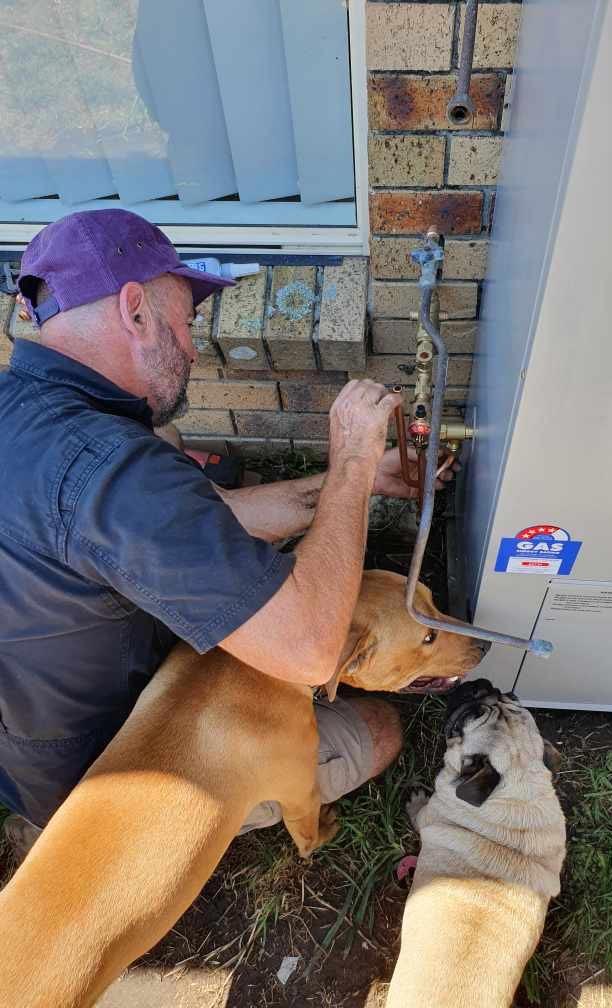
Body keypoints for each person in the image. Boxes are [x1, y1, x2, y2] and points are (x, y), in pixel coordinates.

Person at [0, 209, 450, 861]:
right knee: (378, 731)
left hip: (25, 741)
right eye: (187, 325)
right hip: (105, 783)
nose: (190, 348)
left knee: (173, 444)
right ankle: (162, 842)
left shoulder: (35, 417)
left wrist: (362, 482)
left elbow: (207, 517)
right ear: (134, 311)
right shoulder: (114, 471)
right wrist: (351, 456)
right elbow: (311, 653)